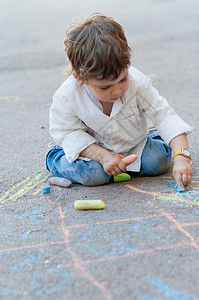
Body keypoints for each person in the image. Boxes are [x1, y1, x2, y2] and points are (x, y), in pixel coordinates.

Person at [46, 13, 193, 191]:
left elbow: (165, 117)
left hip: (131, 144)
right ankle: (55, 157)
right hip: (91, 151)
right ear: (79, 77)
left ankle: (151, 136)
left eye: (122, 80)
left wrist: (182, 158)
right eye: (105, 87)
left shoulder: (137, 82)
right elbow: (67, 132)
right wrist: (102, 156)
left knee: (158, 161)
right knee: (93, 175)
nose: (116, 91)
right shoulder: (67, 96)